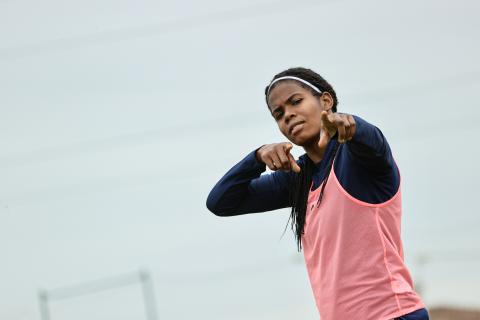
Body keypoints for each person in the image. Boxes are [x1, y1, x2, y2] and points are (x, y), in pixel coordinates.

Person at [206, 67, 429, 320]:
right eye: (278, 114)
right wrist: (257, 158)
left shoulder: (356, 162)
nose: (288, 114)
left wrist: (351, 125)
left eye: (296, 101)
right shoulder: (299, 178)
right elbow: (220, 202)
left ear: (326, 101)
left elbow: (374, 143)